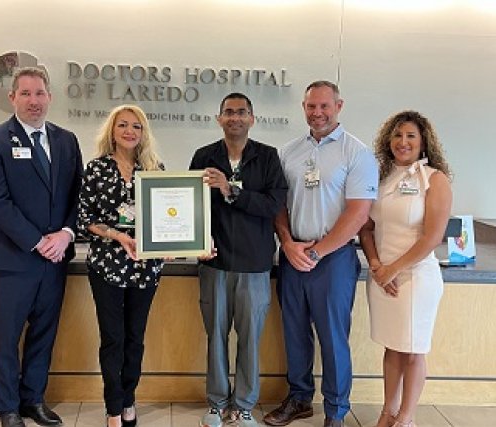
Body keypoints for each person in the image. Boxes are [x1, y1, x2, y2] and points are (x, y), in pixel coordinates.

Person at [264, 81, 379, 427]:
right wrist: (286, 241)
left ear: (339, 106)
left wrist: (318, 252)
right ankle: (299, 399)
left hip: (333, 259)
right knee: (294, 332)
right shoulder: (288, 152)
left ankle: (336, 411)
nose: (317, 113)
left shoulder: (356, 153)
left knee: (332, 337)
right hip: (293, 254)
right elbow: (278, 204)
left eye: (324, 106)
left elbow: (358, 213)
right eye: (311, 106)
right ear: (303, 108)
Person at [0, 67, 83, 427]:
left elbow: (77, 195)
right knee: (6, 337)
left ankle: (32, 400)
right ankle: (6, 407)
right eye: (25, 94)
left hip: (55, 261)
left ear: (49, 97)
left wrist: (66, 233)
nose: (33, 101)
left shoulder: (66, 140)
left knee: (43, 333)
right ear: (12, 98)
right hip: (13, 259)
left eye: (39, 93)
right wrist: (38, 242)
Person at [189, 93, 287, 427]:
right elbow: (191, 208)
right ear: (219, 118)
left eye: (242, 112)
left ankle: (244, 404)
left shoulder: (268, 158)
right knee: (216, 335)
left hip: (255, 265)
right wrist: (196, 241)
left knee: (249, 339)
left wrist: (231, 191)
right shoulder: (204, 157)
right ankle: (217, 403)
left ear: (252, 118)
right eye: (228, 112)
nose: (235, 118)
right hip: (214, 263)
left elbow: (273, 205)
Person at [358, 111, 452, 427]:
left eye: (411, 136)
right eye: (397, 135)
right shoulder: (381, 177)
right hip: (382, 274)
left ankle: (406, 417)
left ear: (423, 140)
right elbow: (366, 228)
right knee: (393, 346)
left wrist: (393, 270)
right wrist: (375, 264)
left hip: (416, 276)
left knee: (413, 350)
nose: (403, 142)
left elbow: (432, 237)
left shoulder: (435, 179)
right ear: (388, 140)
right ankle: (388, 411)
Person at [78, 104, 164, 427]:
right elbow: (85, 219)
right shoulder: (96, 168)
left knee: (135, 338)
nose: (129, 131)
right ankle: (113, 407)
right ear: (112, 131)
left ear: (144, 133)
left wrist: (170, 245)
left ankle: (129, 398)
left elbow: (167, 219)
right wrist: (119, 236)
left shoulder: (155, 169)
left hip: (145, 269)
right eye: (123, 125)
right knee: (112, 338)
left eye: (136, 126)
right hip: (107, 266)